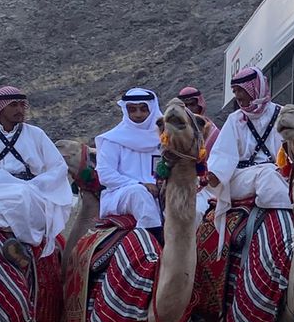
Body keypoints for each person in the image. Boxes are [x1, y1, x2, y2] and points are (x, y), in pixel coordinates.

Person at [0, 85, 73, 257]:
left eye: (21, 105)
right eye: (13, 105)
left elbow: (58, 167)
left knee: (22, 193)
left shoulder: (36, 134)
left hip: (32, 192)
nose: (19, 109)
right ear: (1, 108)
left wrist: (36, 185)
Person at [204, 66, 288, 220]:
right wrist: (214, 174)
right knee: (268, 174)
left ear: (254, 89)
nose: (237, 96)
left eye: (240, 90)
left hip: (280, 174)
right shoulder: (234, 120)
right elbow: (223, 154)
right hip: (242, 178)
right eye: (234, 91)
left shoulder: (282, 114)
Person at [94, 88, 164, 229]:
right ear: (126, 111)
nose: (138, 114)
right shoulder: (112, 139)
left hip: (161, 192)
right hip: (122, 193)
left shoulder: (165, 138)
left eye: (143, 109)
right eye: (132, 109)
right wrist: (140, 183)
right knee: (140, 194)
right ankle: (154, 239)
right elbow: (106, 175)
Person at [178, 85, 219, 153]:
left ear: (200, 105)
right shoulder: (173, 130)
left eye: (192, 104)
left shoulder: (212, 132)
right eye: (184, 106)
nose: (188, 109)